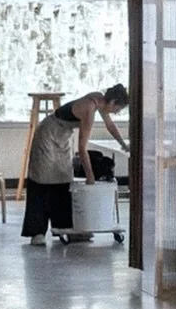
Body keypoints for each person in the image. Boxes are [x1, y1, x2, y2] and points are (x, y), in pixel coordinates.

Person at [22, 84, 128, 245]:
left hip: (62, 135)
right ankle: (37, 232)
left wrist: (124, 144)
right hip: (48, 133)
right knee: (42, 179)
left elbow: (110, 125)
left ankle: (65, 226)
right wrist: (90, 177)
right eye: (117, 109)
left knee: (63, 178)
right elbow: (82, 147)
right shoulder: (89, 109)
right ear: (112, 102)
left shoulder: (99, 99)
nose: (116, 113)